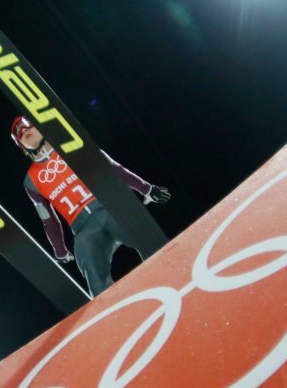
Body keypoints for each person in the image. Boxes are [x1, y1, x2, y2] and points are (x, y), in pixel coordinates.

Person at [11, 115, 170, 297]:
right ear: (21, 146)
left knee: (145, 235)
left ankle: (171, 277)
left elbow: (113, 168)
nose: (24, 131)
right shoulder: (30, 181)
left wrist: (146, 189)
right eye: (20, 134)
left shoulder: (72, 144)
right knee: (95, 280)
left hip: (109, 209)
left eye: (28, 126)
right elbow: (47, 218)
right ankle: (116, 319)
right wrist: (60, 250)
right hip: (83, 230)